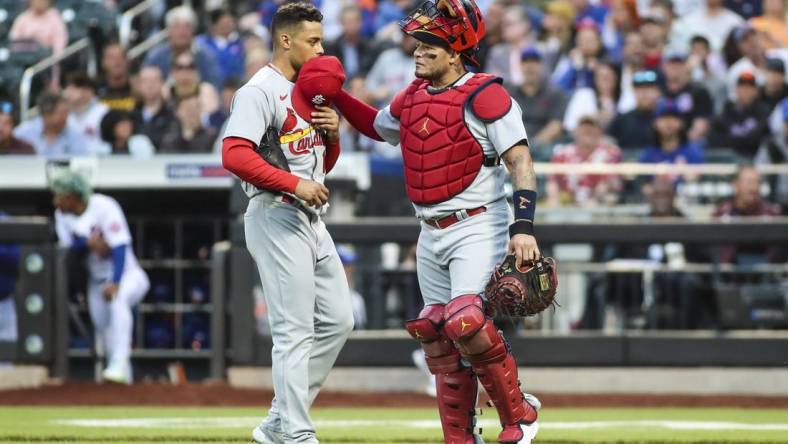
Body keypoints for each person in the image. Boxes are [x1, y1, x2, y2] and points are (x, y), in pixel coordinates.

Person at [334, 1, 542, 442]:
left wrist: (522, 227)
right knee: (435, 331)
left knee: (465, 319)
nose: (419, 50)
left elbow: (520, 162)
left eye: (431, 43)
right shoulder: (410, 96)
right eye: (418, 41)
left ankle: (519, 416)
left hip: (478, 222)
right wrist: (335, 95)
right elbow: (376, 125)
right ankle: (460, 435)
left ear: (456, 51)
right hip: (429, 229)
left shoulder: (487, 94)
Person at [220, 4, 354, 443]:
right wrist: (295, 184)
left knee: (339, 320)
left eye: (321, 40)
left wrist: (333, 136)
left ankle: (279, 420)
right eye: (312, 41)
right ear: (285, 40)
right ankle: (296, 433)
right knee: (294, 330)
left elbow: (320, 166)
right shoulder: (260, 90)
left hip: (309, 217)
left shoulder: (311, 91)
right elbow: (234, 154)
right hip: (275, 211)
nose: (320, 49)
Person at [51, 170, 150, 384]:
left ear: (71, 196)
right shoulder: (61, 216)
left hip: (127, 274)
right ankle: (123, 381)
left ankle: (119, 363)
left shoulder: (103, 205)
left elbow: (120, 245)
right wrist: (87, 244)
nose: (55, 200)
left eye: (58, 195)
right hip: (95, 281)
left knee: (119, 300)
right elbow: (69, 250)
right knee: (105, 331)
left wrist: (115, 282)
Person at [713, 166, 781, 263]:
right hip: (728, 273)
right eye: (749, 182)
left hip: (766, 273)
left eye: (758, 182)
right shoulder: (721, 213)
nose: (754, 188)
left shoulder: (771, 214)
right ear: (735, 184)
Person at [14, 93, 88, 158]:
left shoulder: (75, 136)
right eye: (62, 113)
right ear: (47, 115)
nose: (66, 117)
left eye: (67, 113)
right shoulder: (24, 132)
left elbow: (81, 161)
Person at [63, 72, 109, 154]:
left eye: (73, 88)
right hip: (71, 160)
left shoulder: (103, 112)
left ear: (88, 91)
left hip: (99, 161)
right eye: (67, 88)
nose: (68, 93)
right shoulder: (64, 113)